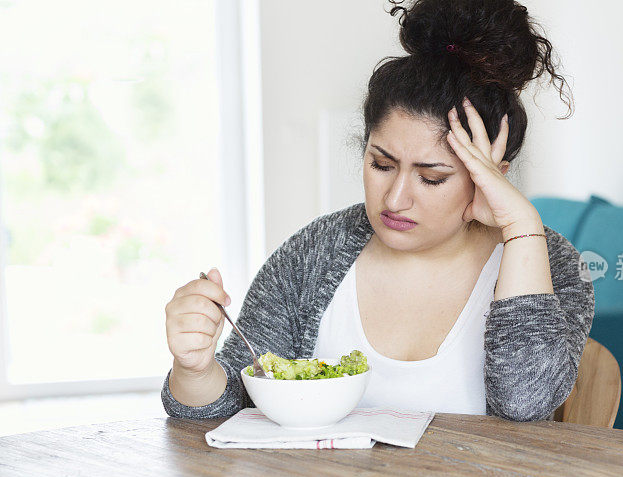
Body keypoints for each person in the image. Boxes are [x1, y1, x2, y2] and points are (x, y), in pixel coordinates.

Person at [162, 0, 594, 421]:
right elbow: (229, 405)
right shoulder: (316, 253)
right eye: (382, 165)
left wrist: (521, 227)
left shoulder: (552, 265)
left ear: (491, 178)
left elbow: (526, 402)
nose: (395, 199)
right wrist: (194, 368)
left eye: (432, 177)